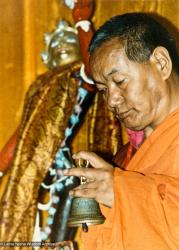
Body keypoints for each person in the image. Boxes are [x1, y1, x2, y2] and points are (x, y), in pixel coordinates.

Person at [63, 12, 179, 249]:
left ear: (161, 63)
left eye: (120, 81)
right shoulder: (124, 159)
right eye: (104, 89)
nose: (112, 101)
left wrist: (121, 192)